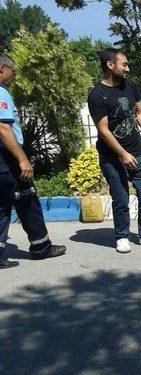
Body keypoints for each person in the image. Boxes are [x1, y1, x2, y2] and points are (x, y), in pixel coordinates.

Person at [87, 48, 141, 253]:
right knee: (121, 197)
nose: (128, 69)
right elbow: (103, 130)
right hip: (112, 156)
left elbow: (139, 113)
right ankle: (122, 236)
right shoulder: (97, 95)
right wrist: (122, 154)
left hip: (137, 151)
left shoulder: (130, 86)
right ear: (110, 65)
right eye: (124, 64)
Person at [0, 53, 66, 269]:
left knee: (12, 202)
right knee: (26, 200)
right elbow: (3, 128)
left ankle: (41, 245)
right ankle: (41, 247)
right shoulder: (1, 93)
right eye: (13, 71)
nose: (15, 76)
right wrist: (22, 160)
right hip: (7, 158)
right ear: (2, 69)